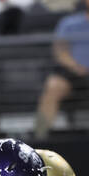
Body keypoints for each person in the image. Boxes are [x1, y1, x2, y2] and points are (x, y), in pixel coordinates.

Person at [34, 0, 89, 138]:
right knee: (53, 86)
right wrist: (75, 66)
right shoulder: (69, 23)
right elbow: (60, 51)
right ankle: (39, 137)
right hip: (74, 73)